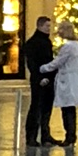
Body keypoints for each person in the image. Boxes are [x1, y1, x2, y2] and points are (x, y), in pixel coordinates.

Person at [39, 18, 78, 147]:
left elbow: (58, 62)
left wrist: (42, 68)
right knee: (70, 109)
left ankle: (69, 137)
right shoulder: (76, 45)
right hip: (74, 79)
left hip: (68, 81)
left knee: (67, 110)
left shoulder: (68, 46)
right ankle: (71, 136)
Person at [23, 15, 59, 147]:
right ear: (39, 26)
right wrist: (40, 77)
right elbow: (32, 64)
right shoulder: (33, 43)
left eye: (50, 26)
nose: (49, 28)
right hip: (40, 80)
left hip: (48, 79)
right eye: (47, 26)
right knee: (36, 107)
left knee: (46, 108)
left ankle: (45, 135)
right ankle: (31, 136)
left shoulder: (46, 41)